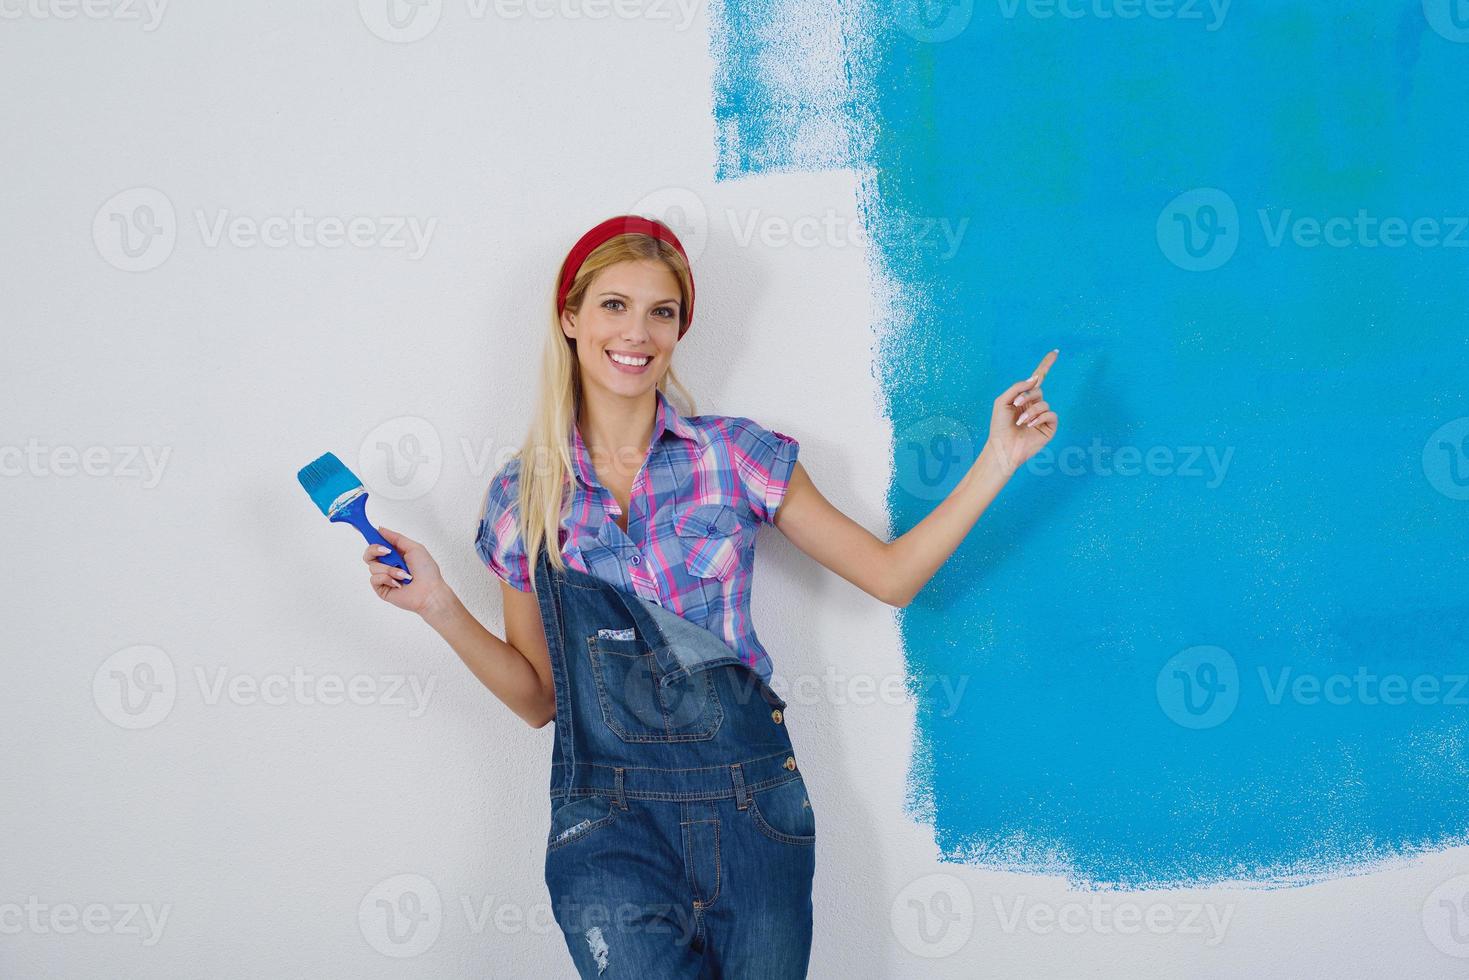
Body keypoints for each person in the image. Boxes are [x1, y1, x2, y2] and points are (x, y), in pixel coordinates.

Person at [358, 214, 1060, 976]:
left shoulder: (734, 455)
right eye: (614, 305)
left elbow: (890, 577)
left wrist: (999, 458)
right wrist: (437, 605)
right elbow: (538, 699)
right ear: (570, 317)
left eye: (662, 312)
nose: (638, 332)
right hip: (607, 820)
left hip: (751, 805)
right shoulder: (522, 495)